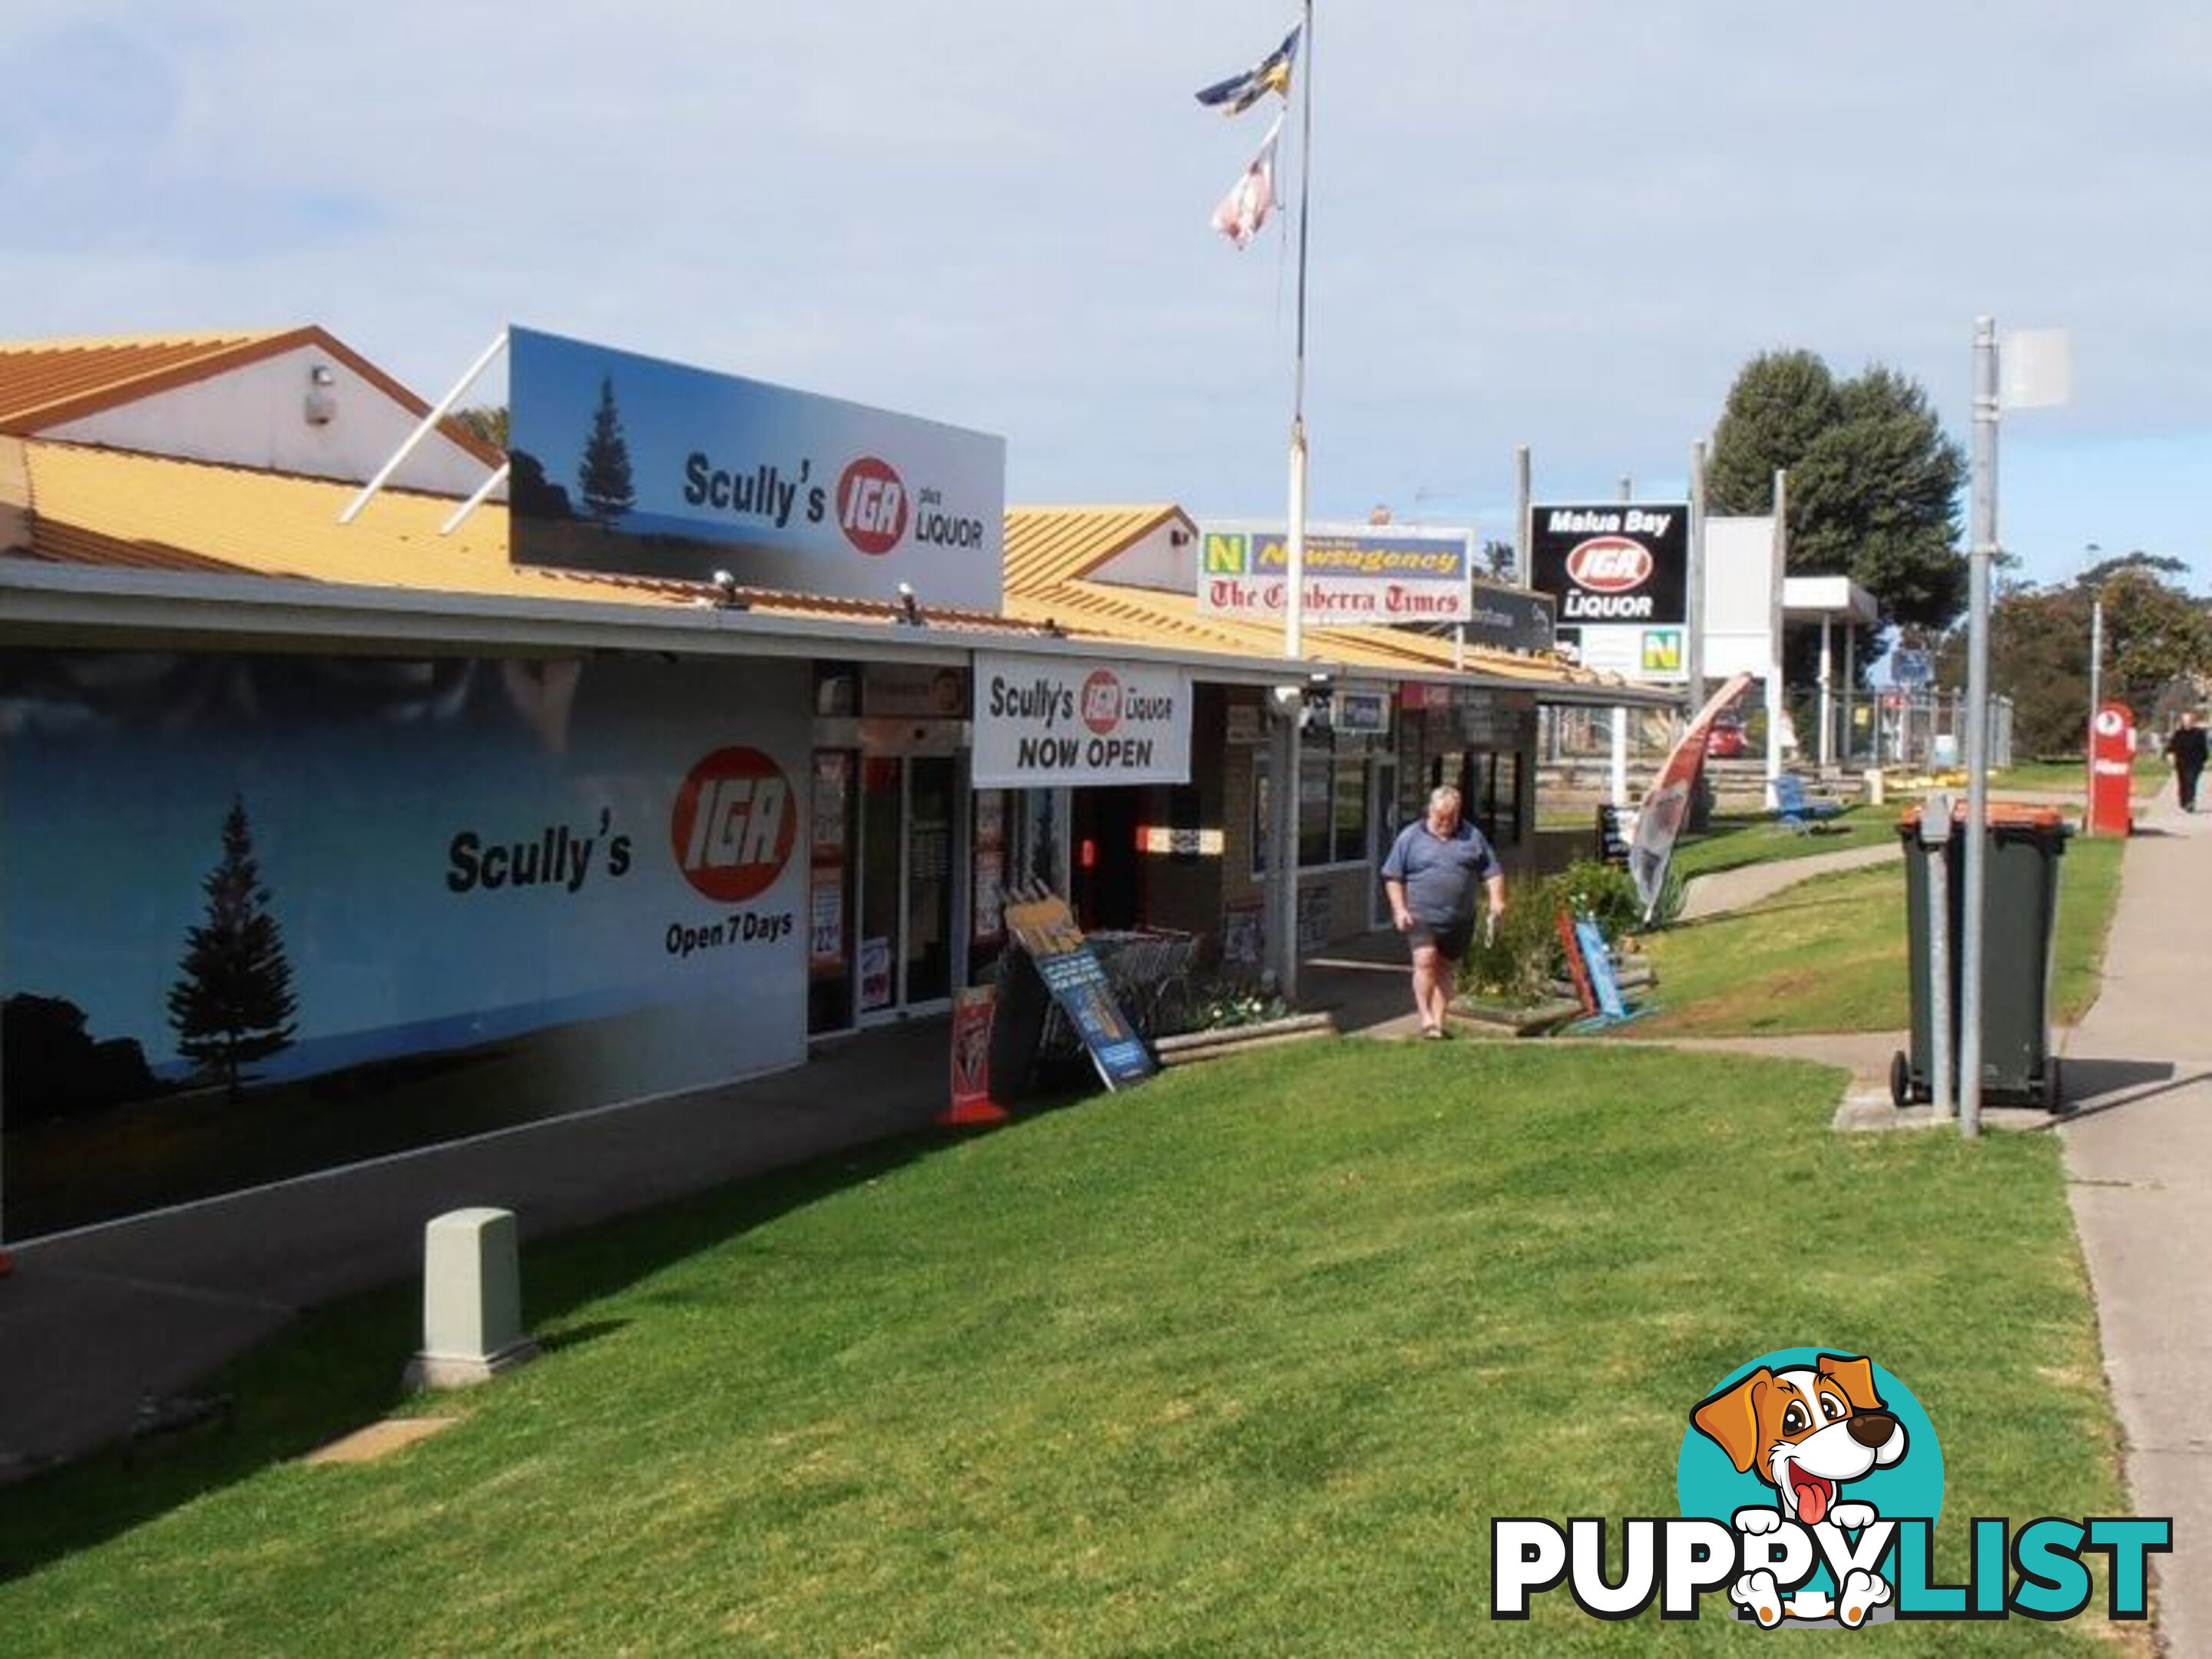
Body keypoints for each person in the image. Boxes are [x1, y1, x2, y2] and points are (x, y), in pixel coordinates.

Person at [1381, 785, 1506, 1040]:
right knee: (1425, 960)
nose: (1445, 823)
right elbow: (1393, 876)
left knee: (1444, 969)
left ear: (1458, 814)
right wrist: (1399, 909)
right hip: (1421, 916)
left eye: (1451, 818)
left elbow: (1492, 871)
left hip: (1458, 918)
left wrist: (1497, 899)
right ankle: (1425, 1018)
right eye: (1440, 817)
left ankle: (1437, 1025)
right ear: (1430, 811)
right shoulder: (1410, 837)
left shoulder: (1472, 837)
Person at [2165, 710, 2207, 812]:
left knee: (2191, 782)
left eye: (2189, 720)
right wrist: (2170, 756)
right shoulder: (2178, 734)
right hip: (2181, 763)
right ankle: (2184, 801)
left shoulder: (2199, 733)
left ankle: (2190, 802)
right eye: (2185, 720)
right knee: (2183, 783)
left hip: (2195, 763)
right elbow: (2171, 747)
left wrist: (2204, 760)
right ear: (2183, 721)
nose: (2188, 722)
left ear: (2193, 721)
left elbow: (2204, 749)